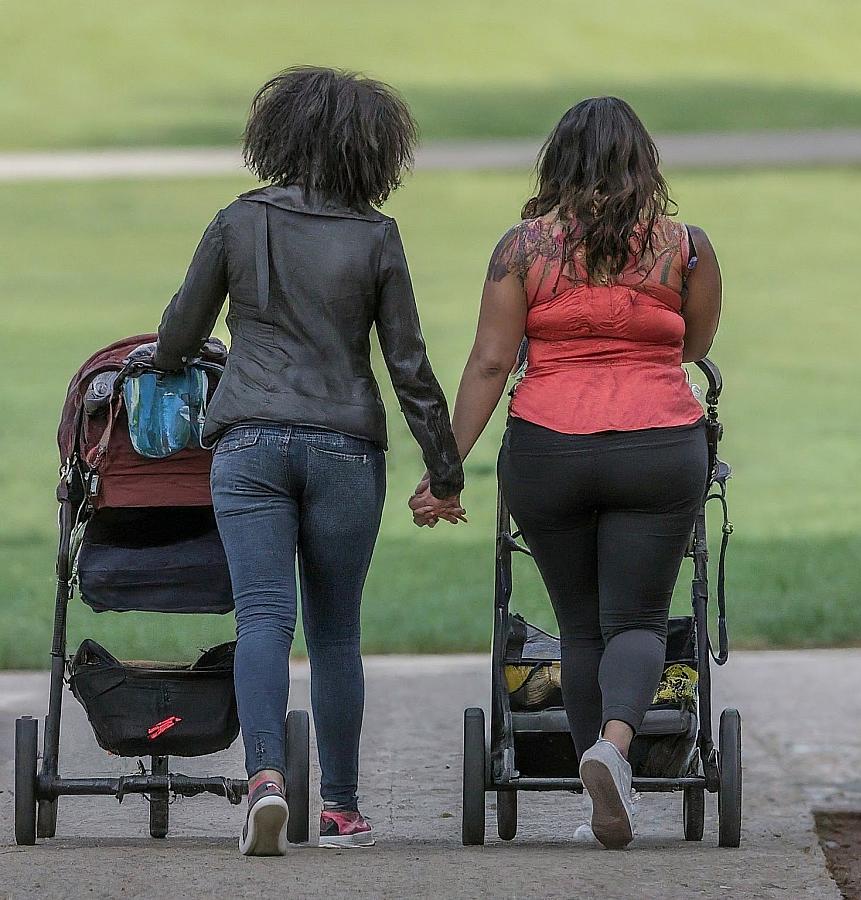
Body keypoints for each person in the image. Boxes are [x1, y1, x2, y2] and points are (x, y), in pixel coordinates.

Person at [153, 67, 464, 855]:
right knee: (335, 634)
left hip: (249, 440)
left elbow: (177, 337)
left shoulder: (237, 219)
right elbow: (409, 367)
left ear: (277, 137)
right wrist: (445, 469)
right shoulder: (375, 236)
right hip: (345, 447)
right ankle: (342, 810)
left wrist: (173, 359)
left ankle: (263, 780)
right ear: (375, 151)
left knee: (262, 615)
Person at [411, 96, 722, 848]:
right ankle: (613, 749)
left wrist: (444, 472)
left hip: (549, 447)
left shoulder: (521, 249)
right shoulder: (687, 248)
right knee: (640, 620)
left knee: (580, 626)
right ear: (645, 165)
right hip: (658, 446)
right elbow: (695, 344)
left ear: (557, 164)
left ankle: (600, 807)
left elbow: (491, 361)